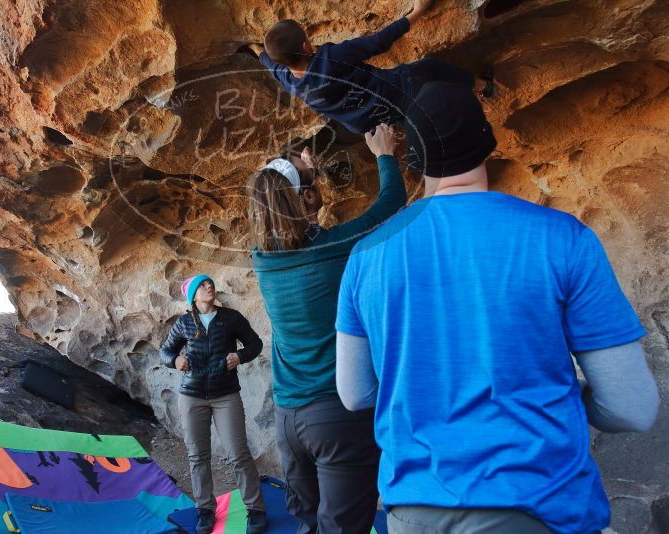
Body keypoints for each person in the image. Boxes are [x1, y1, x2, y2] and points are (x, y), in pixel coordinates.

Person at [335, 81, 660, 534]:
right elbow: (632, 407)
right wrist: (569, 393)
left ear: (415, 160)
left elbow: (355, 393)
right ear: (488, 143)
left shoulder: (365, 257)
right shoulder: (561, 238)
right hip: (538, 506)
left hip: (414, 512)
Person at [246, 124, 406, 533]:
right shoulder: (329, 247)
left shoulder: (262, 258)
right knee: (344, 526)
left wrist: (301, 176)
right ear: (299, 198)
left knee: (308, 522)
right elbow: (389, 205)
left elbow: (279, 204)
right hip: (333, 414)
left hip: (287, 415)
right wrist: (384, 154)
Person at [248, 0, 493, 135]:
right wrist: (417, 11)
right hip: (394, 91)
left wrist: (253, 46)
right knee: (430, 67)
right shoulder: (331, 58)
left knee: (405, 116)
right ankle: (483, 86)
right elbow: (378, 42)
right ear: (306, 45)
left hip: (367, 121)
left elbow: (266, 59)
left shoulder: (289, 80)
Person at [160, 274, 267, 534]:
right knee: (198, 456)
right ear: (193, 296)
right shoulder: (184, 323)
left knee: (238, 453)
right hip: (192, 396)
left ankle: (255, 509)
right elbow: (165, 351)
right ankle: (205, 510)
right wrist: (175, 362)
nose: (210, 287)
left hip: (226, 395)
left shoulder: (231, 318)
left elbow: (255, 343)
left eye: (210, 284)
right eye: (203, 285)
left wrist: (239, 356)